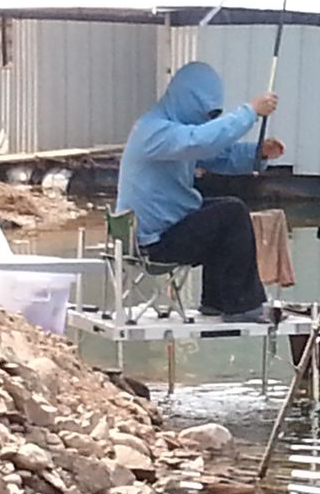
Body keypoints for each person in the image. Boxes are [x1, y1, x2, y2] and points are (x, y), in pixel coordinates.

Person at [115, 61, 284, 322]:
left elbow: (220, 155)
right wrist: (250, 112)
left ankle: (216, 301)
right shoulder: (153, 130)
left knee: (223, 210)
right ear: (187, 99)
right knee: (232, 213)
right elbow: (201, 140)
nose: (208, 119)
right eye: (206, 112)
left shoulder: (175, 133)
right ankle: (241, 306)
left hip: (162, 231)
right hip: (154, 243)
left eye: (213, 115)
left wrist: (258, 153)